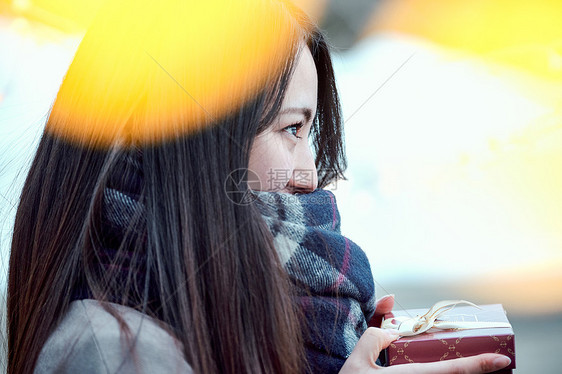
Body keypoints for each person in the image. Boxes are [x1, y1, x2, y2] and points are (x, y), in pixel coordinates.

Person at [7, 1, 512, 373]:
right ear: (190, 138)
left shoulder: (225, 320)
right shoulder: (112, 350)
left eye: (310, 135)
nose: (311, 175)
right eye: (293, 129)